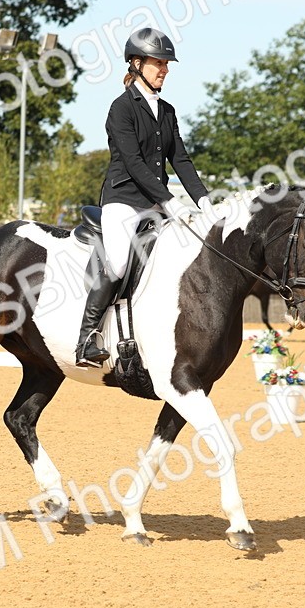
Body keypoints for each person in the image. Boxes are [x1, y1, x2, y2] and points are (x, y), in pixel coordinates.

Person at [74, 27, 214, 368]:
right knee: (120, 262)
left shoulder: (166, 110)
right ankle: (87, 338)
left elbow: (179, 158)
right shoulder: (120, 109)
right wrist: (169, 201)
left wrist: (204, 201)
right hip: (122, 200)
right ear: (136, 64)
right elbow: (134, 163)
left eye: (166, 64)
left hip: (156, 205)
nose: (164, 69)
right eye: (158, 63)